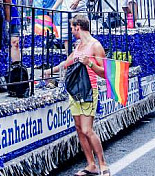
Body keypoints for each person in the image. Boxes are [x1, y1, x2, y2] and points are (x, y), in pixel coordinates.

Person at [44, 15, 110, 176]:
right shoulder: (79, 46)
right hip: (76, 90)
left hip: (89, 90)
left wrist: (90, 63)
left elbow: (106, 73)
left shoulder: (95, 45)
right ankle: (91, 164)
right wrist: (49, 71)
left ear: (78, 27)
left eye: (72, 28)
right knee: (80, 129)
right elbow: (67, 63)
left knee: (88, 129)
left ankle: (103, 164)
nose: (72, 31)